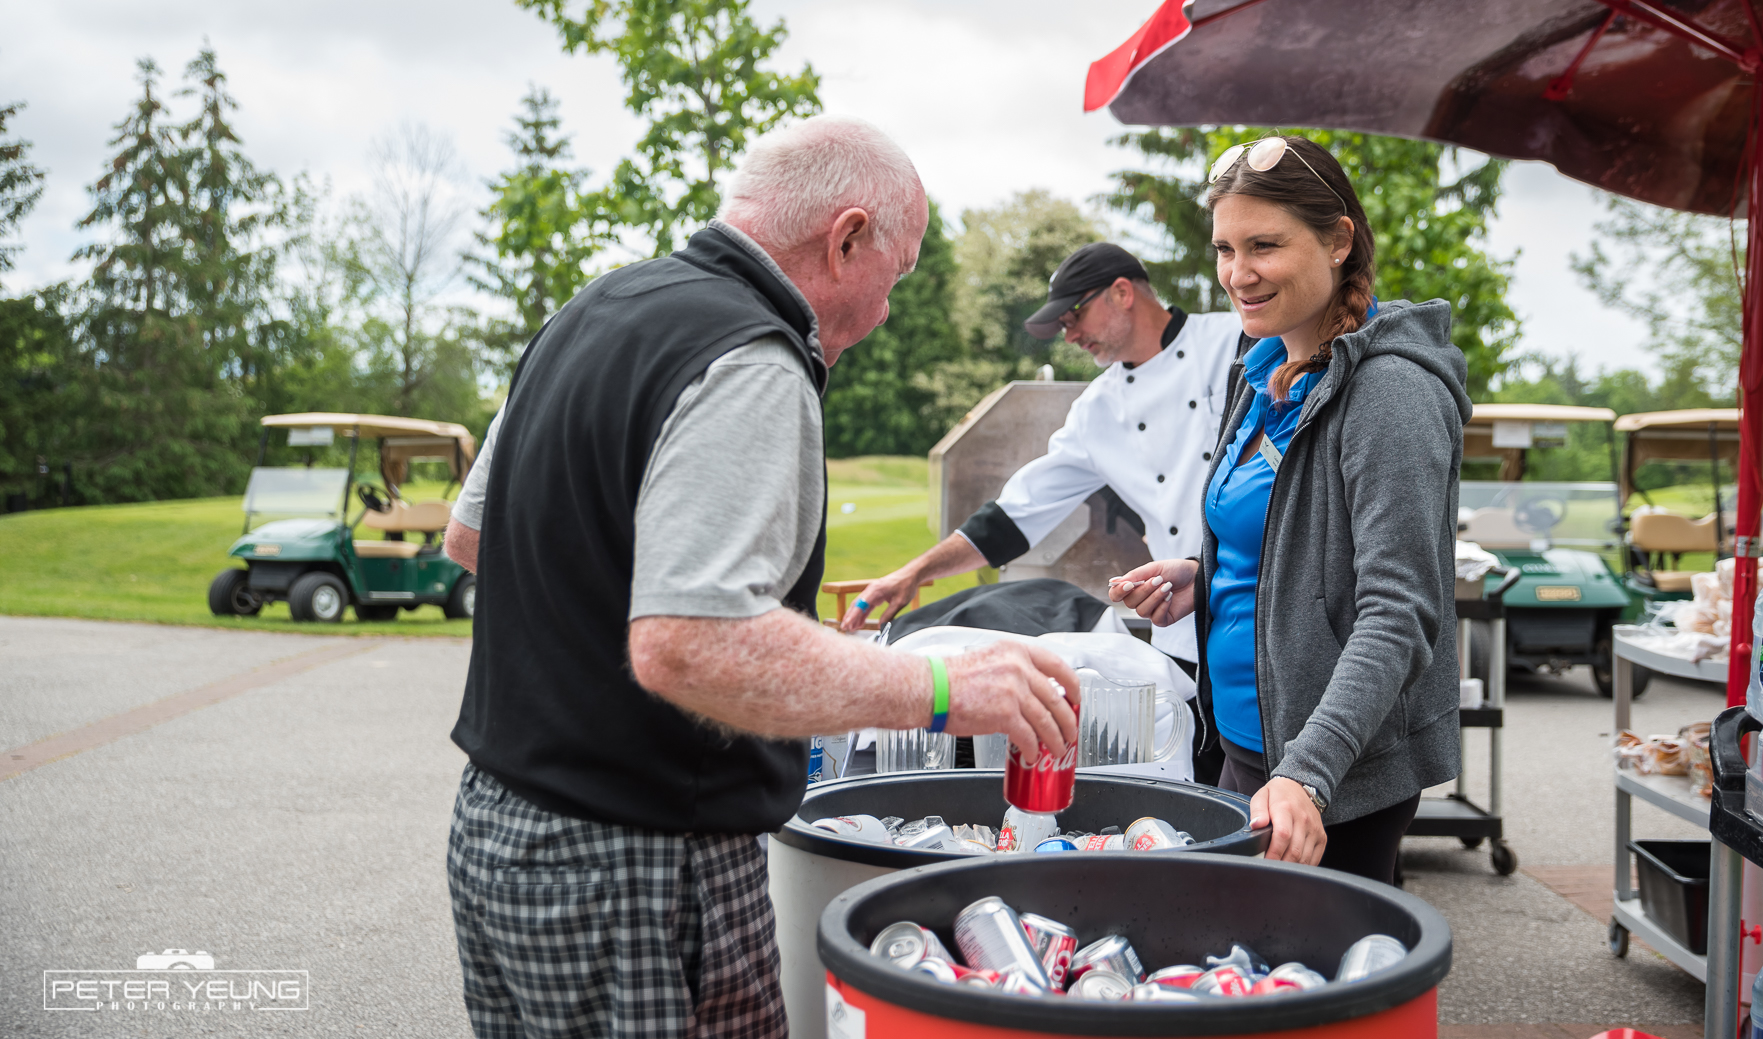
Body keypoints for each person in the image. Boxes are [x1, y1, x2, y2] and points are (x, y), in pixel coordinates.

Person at [440, 114, 1081, 1039]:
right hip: (641, 864)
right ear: (847, 238)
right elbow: (690, 644)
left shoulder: (594, 306)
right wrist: (941, 687)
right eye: (896, 274)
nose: (887, 311)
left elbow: (474, 537)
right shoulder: (751, 356)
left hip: (498, 832)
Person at [1111, 135, 1469, 879]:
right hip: (1246, 746)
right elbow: (1292, 540)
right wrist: (1204, 576)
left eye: (1264, 245)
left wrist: (1309, 772)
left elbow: (1399, 610)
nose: (1237, 274)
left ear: (1338, 241)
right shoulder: (1262, 366)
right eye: (1225, 248)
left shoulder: (1391, 392)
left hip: (1326, 777)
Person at [837, 241, 1242, 674]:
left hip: (1256, 611)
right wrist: (914, 573)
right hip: (1179, 632)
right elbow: (1014, 516)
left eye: (1074, 316)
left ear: (1122, 293)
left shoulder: (1236, 340)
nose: (1070, 336)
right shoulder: (1097, 410)